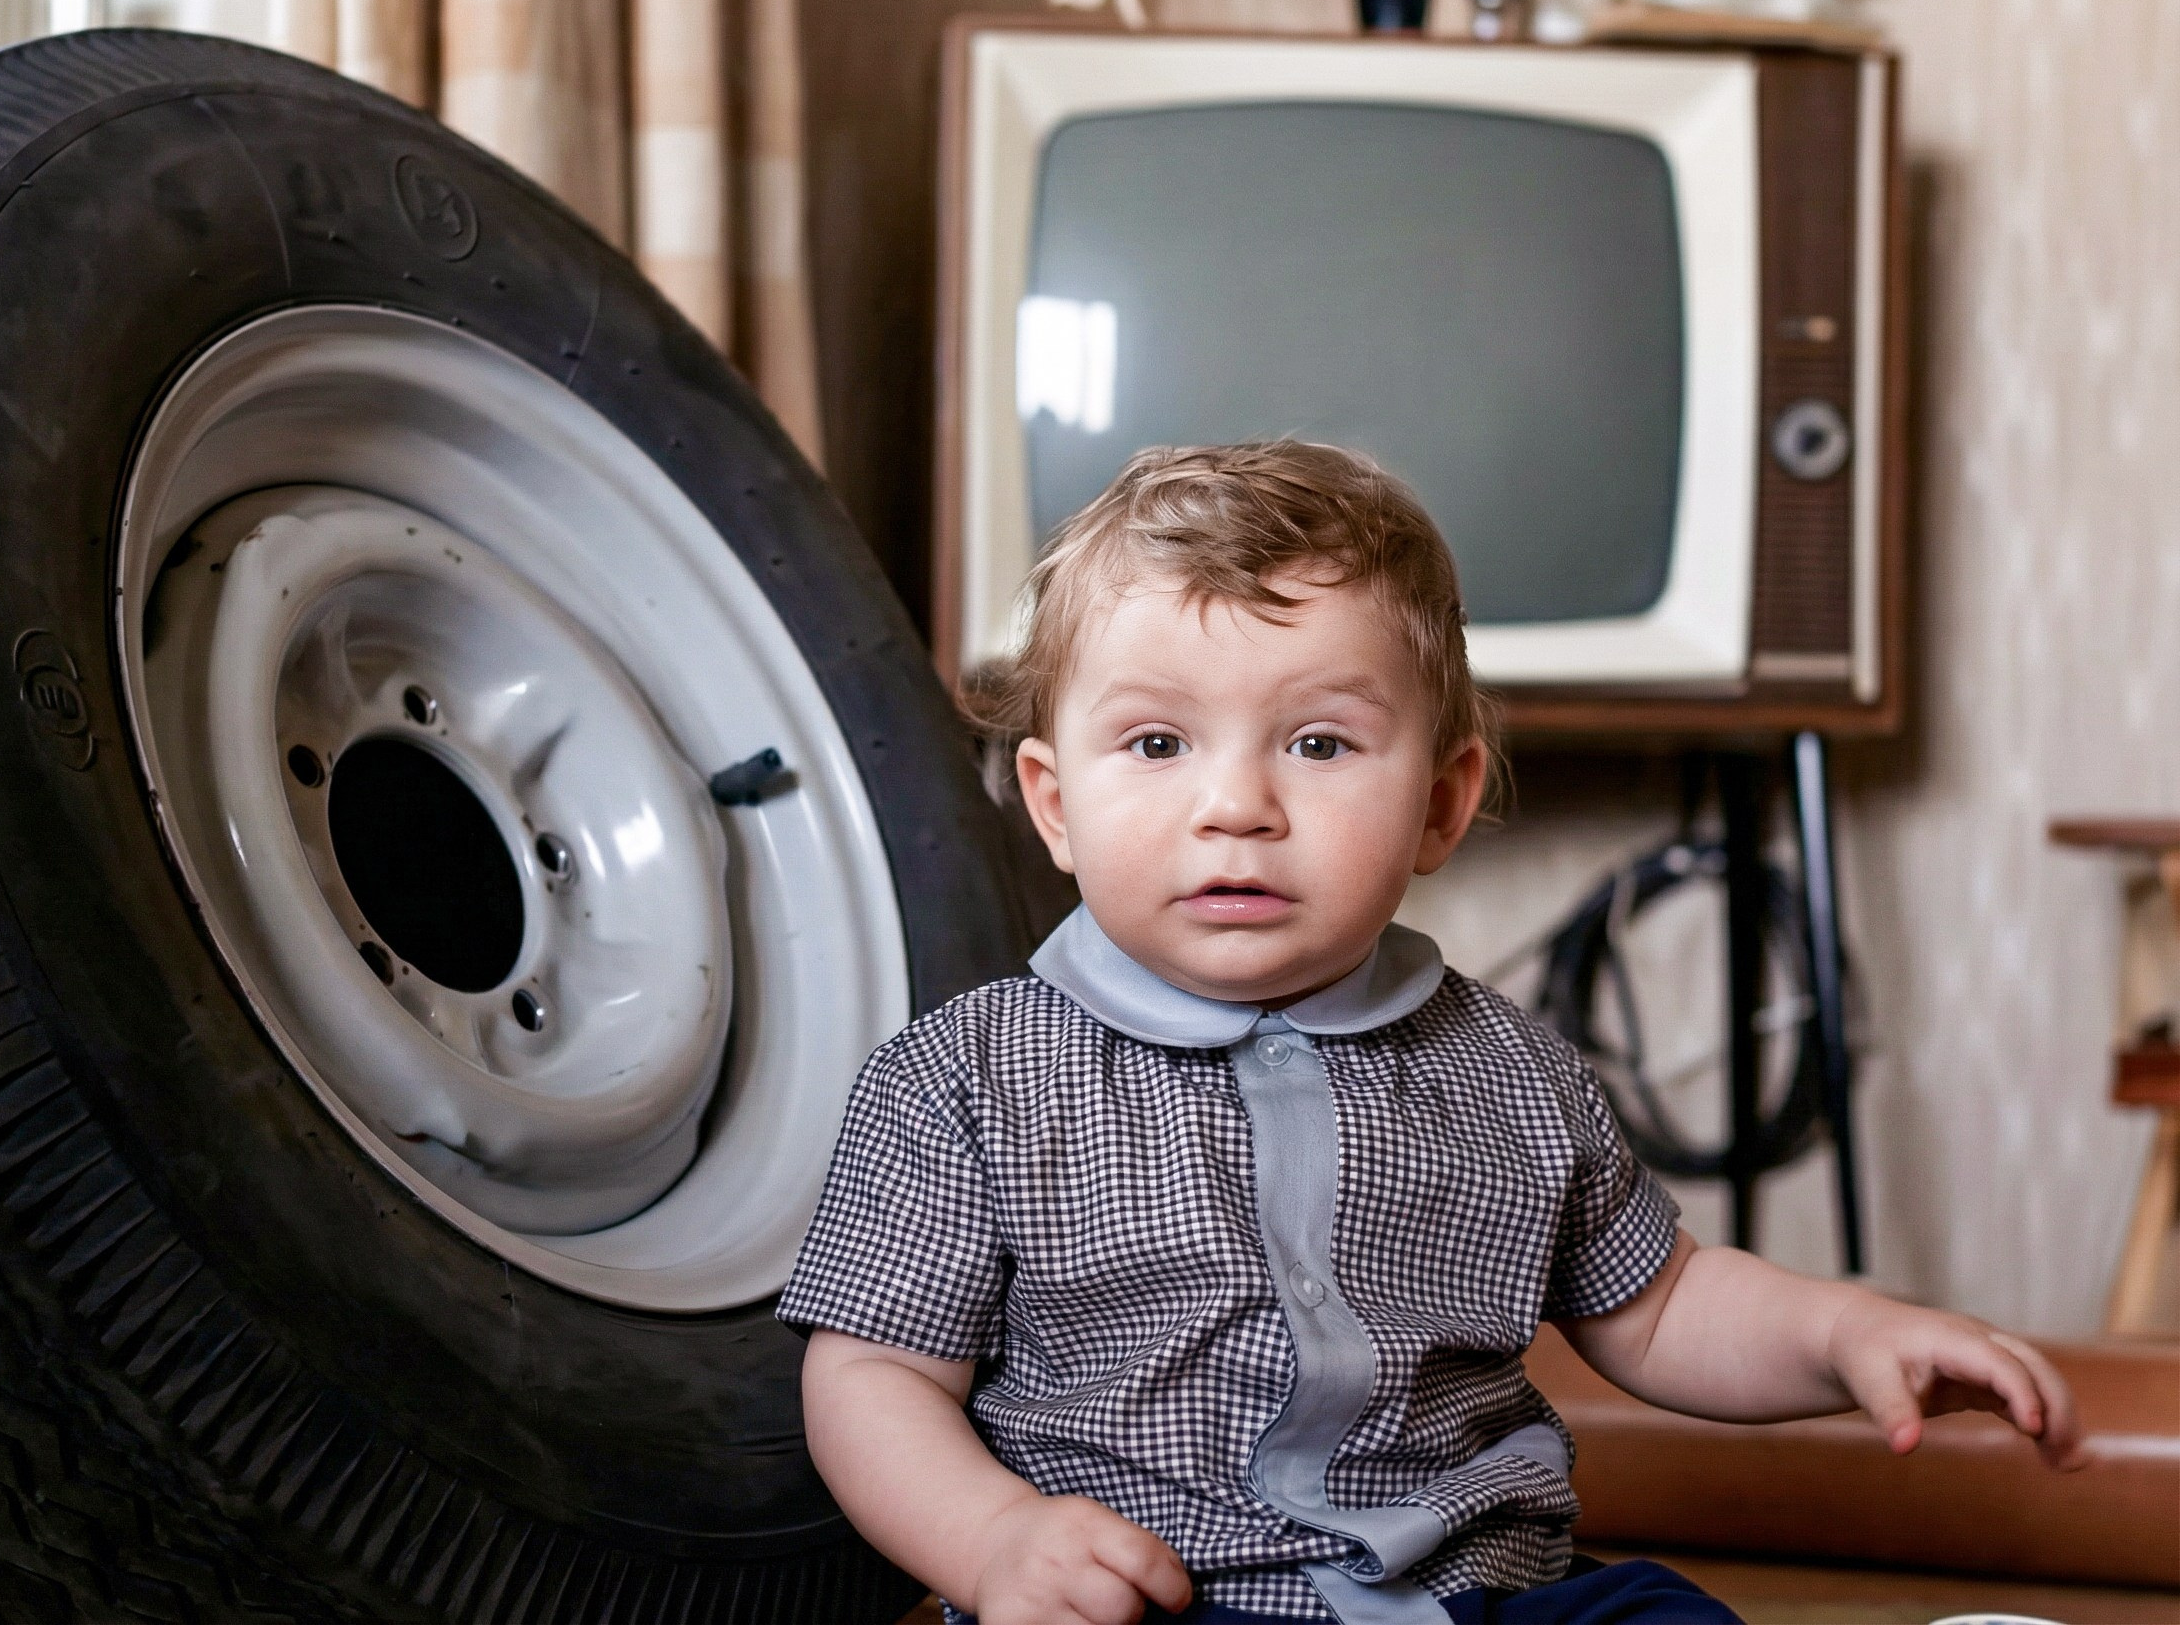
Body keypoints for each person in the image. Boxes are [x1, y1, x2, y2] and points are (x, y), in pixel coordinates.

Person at [776, 442, 2089, 1625]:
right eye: (1159, 742)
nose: (1237, 805)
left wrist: (1845, 1335)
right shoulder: (964, 1080)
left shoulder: (1513, 1070)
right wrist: (994, 1541)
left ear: (1443, 805)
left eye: (1320, 744)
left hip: (1479, 1589)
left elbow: (1665, 1307)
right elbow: (875, 1378)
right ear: (1056, 804)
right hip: (1166, 1593)